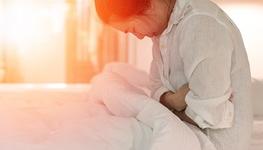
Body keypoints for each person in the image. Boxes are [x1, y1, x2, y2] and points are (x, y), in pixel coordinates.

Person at [94, 0, 253, 150]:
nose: (140, 36)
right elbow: (155, 85)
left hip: (212, 143)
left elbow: (207, 116)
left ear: (150, 6)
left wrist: (164, 109)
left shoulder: (200, 25)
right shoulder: (163, 30)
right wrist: (175, 101)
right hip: (188, 132)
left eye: (133, 30)